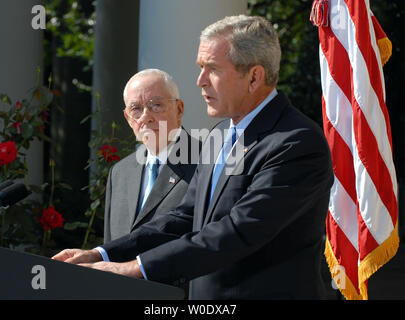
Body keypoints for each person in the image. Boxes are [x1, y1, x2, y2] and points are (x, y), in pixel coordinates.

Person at [53, 15, 334, 299]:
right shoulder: (221, 133)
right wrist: (101, 253)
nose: (200, 81)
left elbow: (237, 231)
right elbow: (186, 217)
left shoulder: (296, 142)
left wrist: (134, 268)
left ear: (254, 77)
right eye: (201, 68)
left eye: (212, 69)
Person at [103, 69, 199, 243]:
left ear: (179, 109)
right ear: (128, 118)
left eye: (156, 105)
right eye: (136, 109)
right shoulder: (119, 173)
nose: (146, 117)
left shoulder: (207, 162)